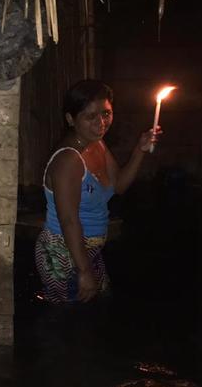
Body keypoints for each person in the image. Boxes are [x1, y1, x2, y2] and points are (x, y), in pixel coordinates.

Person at [35, 80, 160, 303]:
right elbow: (69, 221)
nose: (101, 123)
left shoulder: (96, 144)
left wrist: (140, 150)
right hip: (62, 252)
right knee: (67, 325)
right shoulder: (68, 160)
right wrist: (84, 271)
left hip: (87, 249)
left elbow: (119, 185)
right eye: (90, 116)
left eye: (106, 113)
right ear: (71, 119)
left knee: (97, 310)